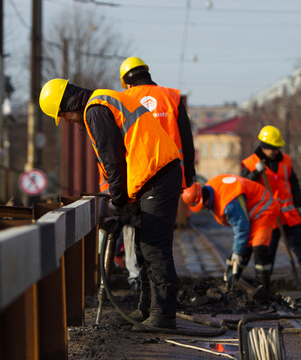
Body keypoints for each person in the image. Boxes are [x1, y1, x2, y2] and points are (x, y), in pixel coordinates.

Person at [39, 78, 182, 330]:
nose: (67, 121)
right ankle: (147, 309)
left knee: (154, 248)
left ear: (67, 105)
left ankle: (163, 316)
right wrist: (124, 203)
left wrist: (117, 204)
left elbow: (113, 162)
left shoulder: (95, 111)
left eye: (63, 115)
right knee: (142, 246)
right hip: (152, 175)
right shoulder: (103, 101)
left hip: (156, 175)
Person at [119, 56, 197, 291]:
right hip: (169, 177)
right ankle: (158, 291)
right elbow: (187, 141)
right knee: (161, 239)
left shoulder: (124, 99)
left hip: (135, 178)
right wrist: (190, 177)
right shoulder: (171, 97)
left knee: (133, 229)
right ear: (147, 73)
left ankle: (136, 280)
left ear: (127, 82)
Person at [240, 125, 301, 293]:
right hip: (268, 217)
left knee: (300, 244)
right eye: (272, 149)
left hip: (288, 214)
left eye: (278, 148)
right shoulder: (250, 164)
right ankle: (262, 282)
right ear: (264, 147)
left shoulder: (286, 160)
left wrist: (299, 204)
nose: (276, 151)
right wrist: (255, 173)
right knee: (267, 251)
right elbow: (244, 186)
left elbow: (294, 183)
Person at [182, 175, 280, 299]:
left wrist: (237, 253)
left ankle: (263, 287)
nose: (204, 208)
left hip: (264, 207)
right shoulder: (212, 184)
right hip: (250, 209)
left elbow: (242, 228)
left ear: (203, 200)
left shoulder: (228, 204)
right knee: (245, 244)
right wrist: (237, 253)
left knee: (258, 245)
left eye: (202, 205)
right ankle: (233, 280)